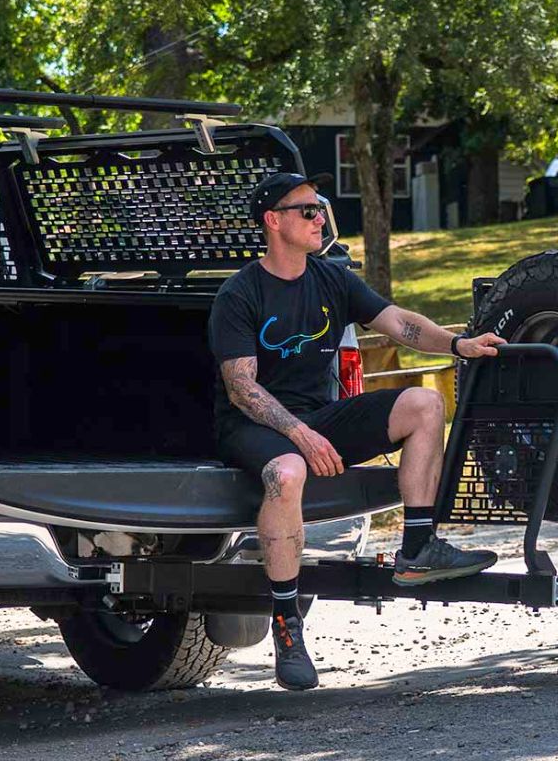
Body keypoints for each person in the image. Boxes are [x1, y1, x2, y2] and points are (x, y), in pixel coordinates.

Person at [208, 171, 505, 691]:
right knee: (287, 471)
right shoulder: (239, 293)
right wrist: (302, 435)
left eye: (319, 206)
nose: (319, 216)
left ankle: (418, 547)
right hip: (255, 423)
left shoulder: (331, 278)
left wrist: (459, 344)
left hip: (318, 417)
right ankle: (287, 624)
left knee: (424, 404)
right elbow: (242, 390)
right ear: (273, 221)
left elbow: (399, 324)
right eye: (307, 210)